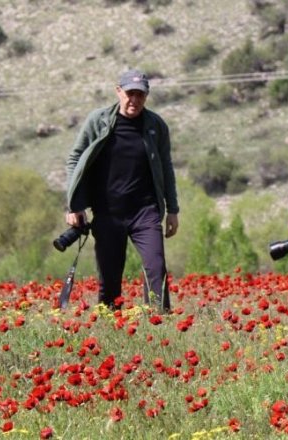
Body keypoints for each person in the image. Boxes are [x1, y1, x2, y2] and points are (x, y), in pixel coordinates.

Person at [64, 69, 179, 312]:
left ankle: (159, 323)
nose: (134, 100)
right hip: (107, 212)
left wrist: (173, 210)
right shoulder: (99, 120)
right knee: (110, 279)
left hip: (145, 212)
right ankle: (110, 328)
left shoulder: (156, 126)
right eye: (129, 93)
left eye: (140, 95)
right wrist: (74, 205)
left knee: (156, 268)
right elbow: (75, 158)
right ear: (118, 91)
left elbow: (166, 168)